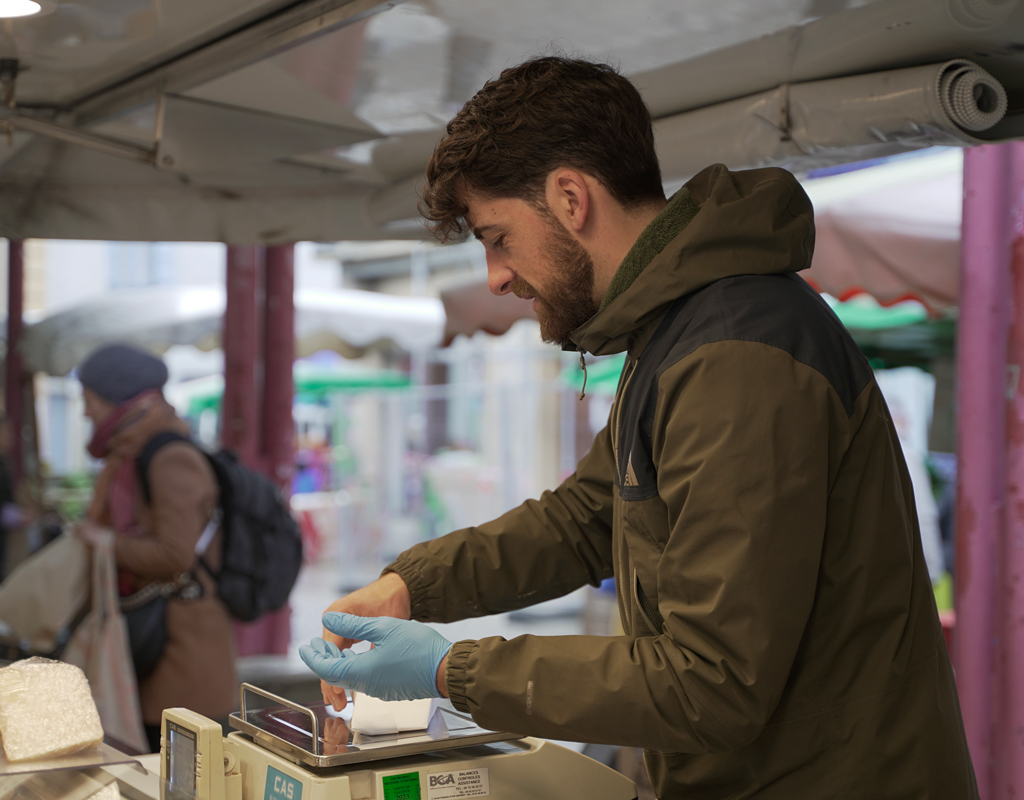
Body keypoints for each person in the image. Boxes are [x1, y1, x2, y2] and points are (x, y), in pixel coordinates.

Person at [300, 57, 978, 798]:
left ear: (569, 198)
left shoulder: (733, 355)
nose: (496, 275)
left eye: (498, 237)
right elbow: (583, 520)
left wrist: (447, 671)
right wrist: (410, 584)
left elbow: (710, 680)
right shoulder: (679, 330)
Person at [76, 344, 236, 753]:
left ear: (116, 401)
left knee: (177, 774)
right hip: (155, 643)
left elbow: (175, 554)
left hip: (182, 651)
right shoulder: (128, 454)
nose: (84, 413)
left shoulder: (169, 457)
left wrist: (106, 542)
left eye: (89, 401)